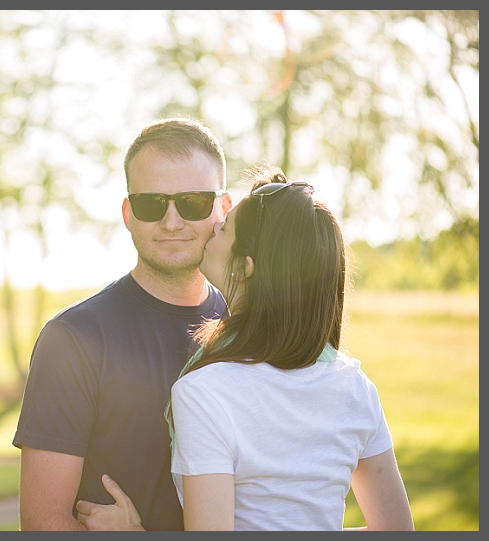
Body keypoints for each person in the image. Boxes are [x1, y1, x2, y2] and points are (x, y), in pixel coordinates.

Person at [78, 164, 415, 531]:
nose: (210, 232)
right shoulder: (355, 387)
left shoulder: (205, 393)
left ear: (244, 267)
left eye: (223, 229)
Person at [12, 118, 233, 531]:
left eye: (193, 202)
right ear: (129, 213)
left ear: (224, 209)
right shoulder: (74, 339)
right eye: (152, 204)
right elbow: (43, 521)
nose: (171, 222)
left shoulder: (250, 330)